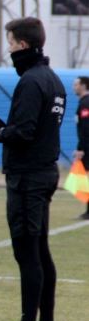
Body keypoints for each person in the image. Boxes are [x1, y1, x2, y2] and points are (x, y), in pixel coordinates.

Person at [0, 17, 66, 321]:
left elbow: (25, 131)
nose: (8, 49)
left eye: (10, 42)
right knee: (40, 250)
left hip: (28, 177)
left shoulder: (31, 81)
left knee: (27, 251)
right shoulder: (53, 80)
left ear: (22, 44)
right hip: (44, 172)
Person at [72, 75, 89, 219]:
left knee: (83, 179)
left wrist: (81, 148)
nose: (74, 87)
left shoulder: (85, 103)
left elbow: (86, 127)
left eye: (76, 84)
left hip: (87, 147)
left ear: (83, 86)